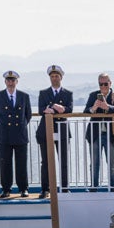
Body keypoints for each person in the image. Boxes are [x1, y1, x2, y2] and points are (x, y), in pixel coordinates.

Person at [0, 71, 32, 199]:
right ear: (5, 82)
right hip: (4, 135)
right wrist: (3, 126)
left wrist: (20, 126)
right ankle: (6, 189)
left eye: (13, 80)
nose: (10, 82)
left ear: (17, 82)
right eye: (8, 80)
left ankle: (23, 188)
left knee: (21, 163)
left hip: (20, 134)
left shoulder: (24, 96)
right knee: (5, 164)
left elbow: (28, 115)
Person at [37, 64, 73, 199]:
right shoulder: (43, 93)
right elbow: (41, 110)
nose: (54, 79)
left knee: (63, 160)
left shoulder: (67, 93)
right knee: (45, 161)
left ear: (61, 77)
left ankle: (64, 187)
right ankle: (45, 189)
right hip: (45, 130)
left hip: (62, 130)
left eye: (57, 76)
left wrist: (59, 108)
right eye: (52, 76)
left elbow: (69, 109)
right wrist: (51, 107)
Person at [84, 73, 114, 190]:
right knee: (95, 163)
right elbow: (86, 111)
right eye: (101, 84)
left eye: (106, 84)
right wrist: (94, 108)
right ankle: (94, 187)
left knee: (112, 163)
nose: (103, 86)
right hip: (95, 134)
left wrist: (107, 107)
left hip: (110, 134)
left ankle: (113, 187)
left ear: (110, 83)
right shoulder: (93, 95)